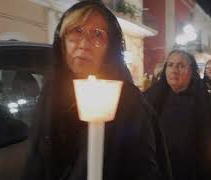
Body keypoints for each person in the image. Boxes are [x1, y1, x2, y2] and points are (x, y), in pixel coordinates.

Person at [21, 1, 171, 180]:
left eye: (98, 35)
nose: (84, 44)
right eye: (76, 31)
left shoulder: (129, 102)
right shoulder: (51, 93)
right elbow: (36, 162)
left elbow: (144, 170)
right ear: (62, 41)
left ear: (110, 48)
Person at [144, 50, 211, 180]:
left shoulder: (202, 100)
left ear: (191, 72)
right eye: (170, 65)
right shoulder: (152, 96)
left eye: (181, 66)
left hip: (191, 171)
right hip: (159, 169)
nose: (174, 70)